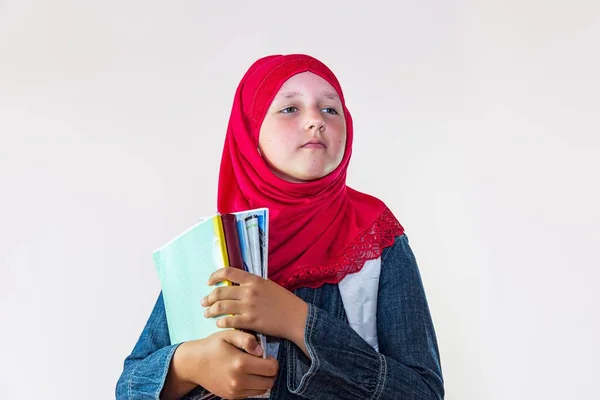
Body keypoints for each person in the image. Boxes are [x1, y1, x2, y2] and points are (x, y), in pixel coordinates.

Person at [116, 54, 444, 400]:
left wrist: (300, 322)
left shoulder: (376, 238)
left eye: (330, 109)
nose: (315, 120)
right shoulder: (212, 246)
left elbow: (423, 393)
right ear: (250, 133)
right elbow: (129, 387)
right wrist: (187, 365)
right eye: (290, 109)